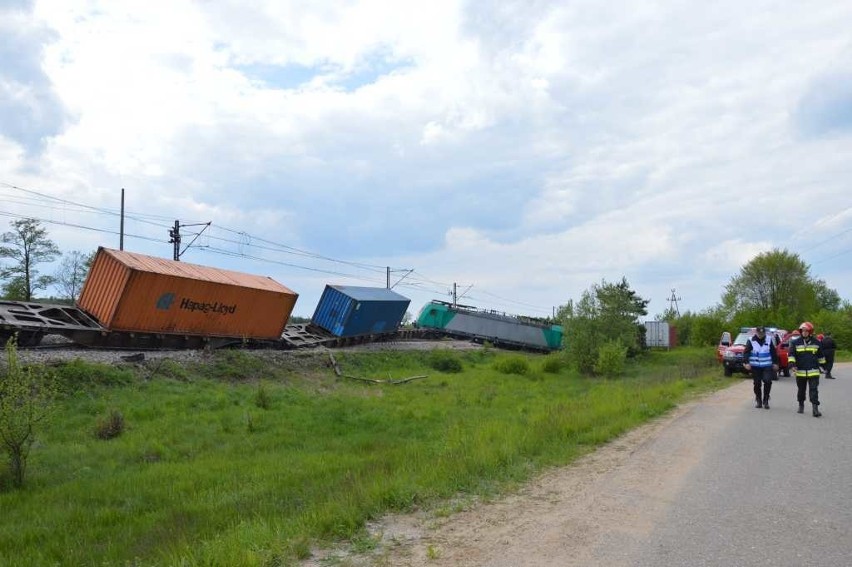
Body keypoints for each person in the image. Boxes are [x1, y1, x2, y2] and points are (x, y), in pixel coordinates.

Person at [788, 321, 827, 417]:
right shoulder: (795, 342)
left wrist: (824, 367)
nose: (804, 332)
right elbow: (791, 355)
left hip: (813, 371)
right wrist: (792, 365)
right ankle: (801, 405)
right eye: (802, 330)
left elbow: (821, 356)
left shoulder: (817, 342)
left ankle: (815, 409)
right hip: (800, 371)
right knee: (801, 390)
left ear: (810, 331)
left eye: (806, 331)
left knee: (814, 390)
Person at [743, 326, 778, 409]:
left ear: (764, 333)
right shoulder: (751, 340)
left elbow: (773, 352)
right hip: (755, 366)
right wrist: (747, 363)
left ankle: (766, 400)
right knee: (757, 383)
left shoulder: (769, 340)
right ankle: (758, 400)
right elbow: (746, 353)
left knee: (767, 381)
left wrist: (776, 363)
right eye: (759, 333)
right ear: (756, 333)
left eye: (762, 333)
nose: (761, 335)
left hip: (767, 365)